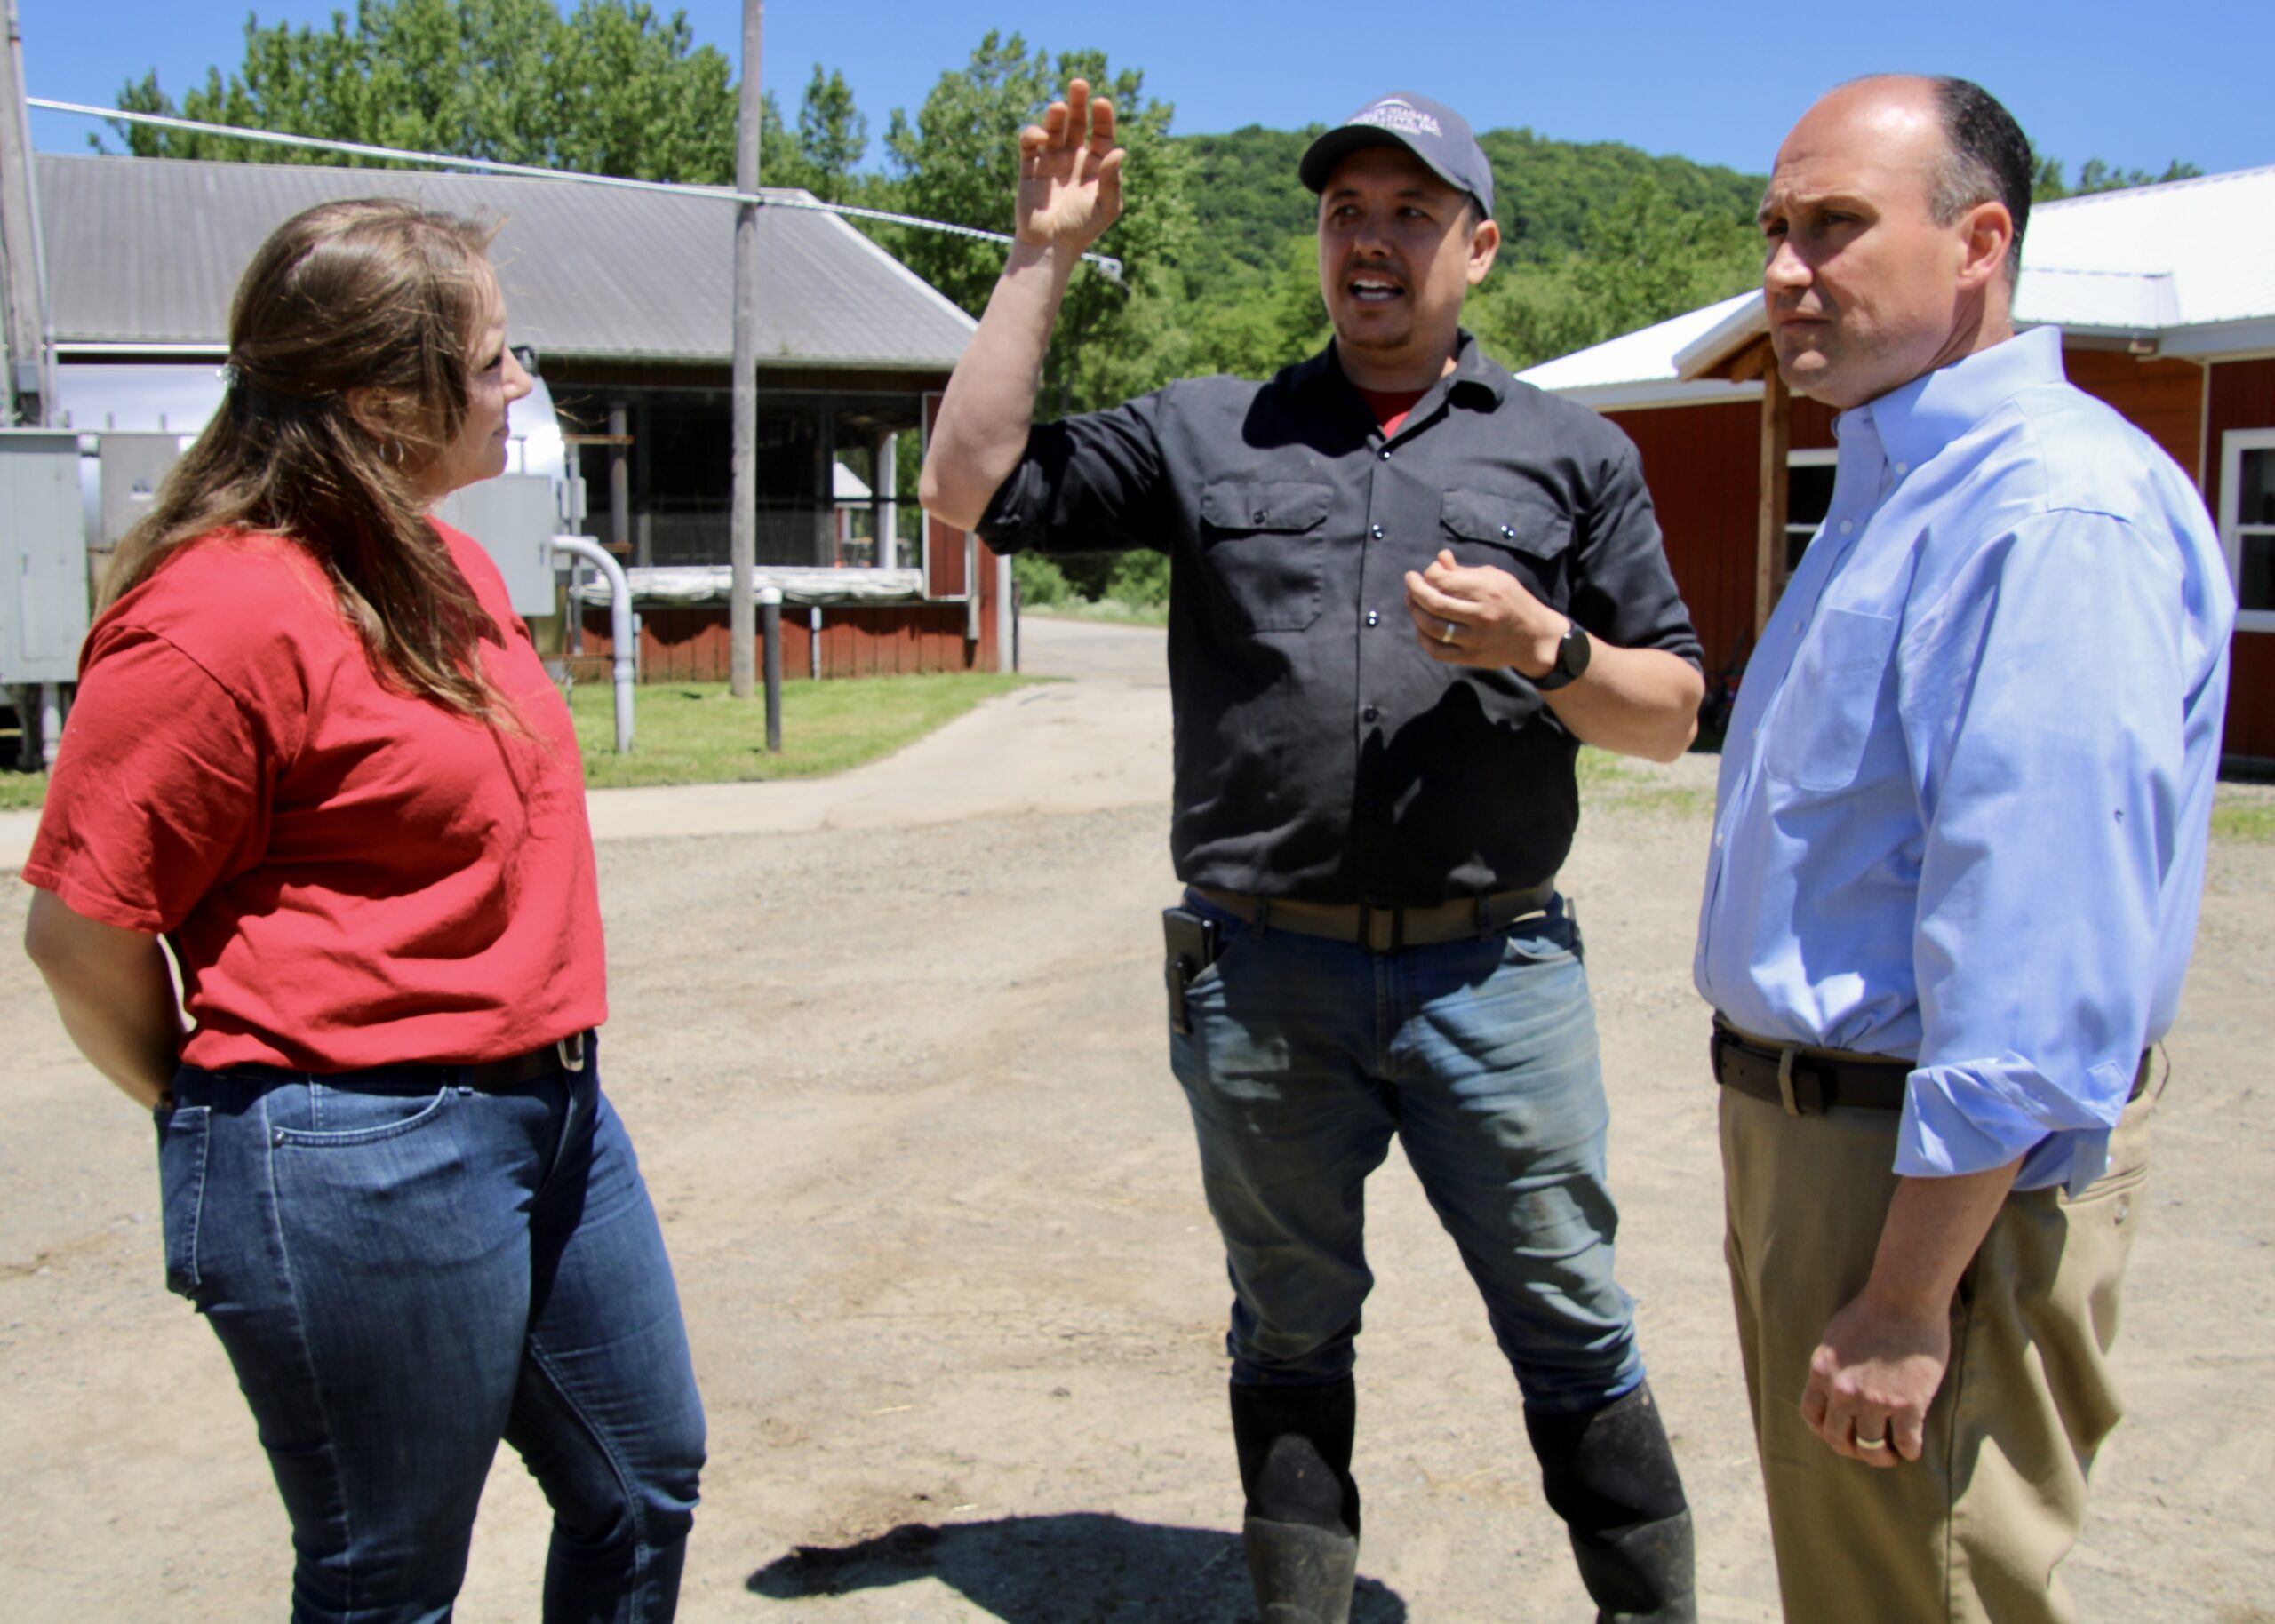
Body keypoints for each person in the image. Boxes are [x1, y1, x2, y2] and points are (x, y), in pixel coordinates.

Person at [924, 84, 1706, 1624]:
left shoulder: (1573, 453)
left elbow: (1671, 712)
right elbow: (970, 487)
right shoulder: (1208, 427)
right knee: (1286, 1329)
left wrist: (1544, 645)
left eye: (1413, 213)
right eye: (1349, 209)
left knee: (1570, 1318)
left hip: (1498, 980)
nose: (1374, 239)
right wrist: (1039, 260)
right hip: (1264, 976)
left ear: (1477, 249)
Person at [21, 199, 706, 1624]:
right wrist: (235, 1122)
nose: (522, 388)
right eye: (496, 361)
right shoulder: (214, 619)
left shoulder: (437, 558)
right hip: (359, 1150)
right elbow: (81, 936)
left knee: (646, 1477)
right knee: (391, 1575)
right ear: (383, 399)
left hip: (556, 1105)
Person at [1696, 76, 2233, 1623]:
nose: (1787, 270)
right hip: (1829, 1148)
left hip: (1926, 1182)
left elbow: (2036, 945)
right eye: (1776, 230)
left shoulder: (2050, 514)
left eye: (1838, 227)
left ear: (1980, 240)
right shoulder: (1899, 483)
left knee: (1919, 1594)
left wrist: (1906, 1294)